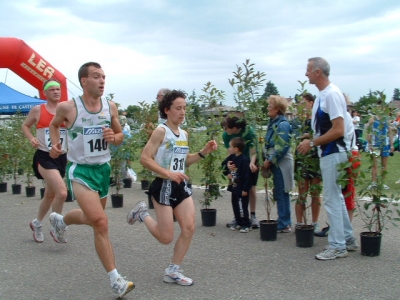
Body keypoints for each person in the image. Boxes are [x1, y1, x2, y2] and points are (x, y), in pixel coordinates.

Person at [48, 62, 134, 298]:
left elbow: (119, 138)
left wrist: (113, 136)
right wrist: (56, 145)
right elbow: (54, 125)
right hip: (81, 171)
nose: (102, 80)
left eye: (104, 76)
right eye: (96, 76)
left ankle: (61, 221)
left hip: (103, 170)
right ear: (84, 81)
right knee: (101, 222)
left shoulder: (110, 107)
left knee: (91, 219)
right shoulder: (68, 107)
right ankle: (116, 279)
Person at [127, 90, 218, 286]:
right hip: (163, 185)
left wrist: (203, 152)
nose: (182, 112)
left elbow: (184, 161)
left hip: (180, 184)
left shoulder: (184, 133)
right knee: (166, 237)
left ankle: (173, 271)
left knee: (189, 227)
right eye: (178, 108)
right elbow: (144, 158)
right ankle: (142, 214)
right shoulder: (161, 131)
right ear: (167, 110)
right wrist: (167, 173)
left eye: (184, 108)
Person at [297, 57, 357, 260]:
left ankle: (337, 246)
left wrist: (313, 143)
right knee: (337, 198)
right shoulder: (324, 95)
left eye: (308, 70)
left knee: (331, 199)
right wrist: (310, 137)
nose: (305, 74)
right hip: (331, 152)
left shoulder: (331, 95)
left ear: (317, 72)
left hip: (333, 152)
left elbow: (338, 129)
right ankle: (347, 238)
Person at [22, 78, 68, 243]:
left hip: (62, 157)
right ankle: (57, 226)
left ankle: (37, 223)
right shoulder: (38, 110)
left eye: (58, 89)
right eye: (52, 89)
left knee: (49, 195)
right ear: (45, 93)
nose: (56, 91)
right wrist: (31, 138)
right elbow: (25, 125)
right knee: (62, 193)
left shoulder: (66, 109)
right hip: (44, 157)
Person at [222, 115, 260, 228]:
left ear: (234, 128)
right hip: (236, 162)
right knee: (236, 188)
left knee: (250, 188)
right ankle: (238, 216)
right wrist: (229, 163)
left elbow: (253, 151)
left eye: (226, 128)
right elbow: (229, 152)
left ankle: (252, 216)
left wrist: (252, 163)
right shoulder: (226, 135)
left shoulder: (249, 132)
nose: (224, 130)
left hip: (248, 161)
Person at [263, 95, 294, 233]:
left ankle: (284, 222)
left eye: (270, 106)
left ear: (276, 109)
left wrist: (270, 160)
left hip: (281, 162)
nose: (267, 108)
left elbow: (282, 146)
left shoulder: (282, 124)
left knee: (282, 192)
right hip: (275, 161)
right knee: (279, 191)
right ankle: (283, 219)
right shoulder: (273, 122)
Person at [294, 93, 322, 233]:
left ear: (311, 103)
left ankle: (315, 222)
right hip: (301, 159)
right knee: (302, 192)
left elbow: (323, 135)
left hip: (315, 158)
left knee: (315, 192)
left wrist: (309, 136)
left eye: (303, 102)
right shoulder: (297, 122)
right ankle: (299, 222)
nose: (300, 106)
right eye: (299, 103)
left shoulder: (317, 119)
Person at [221, 137, 252, 232]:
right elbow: (223, 164)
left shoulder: (244, 160)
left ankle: (246, 224)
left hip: (242, 188)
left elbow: (248, 176)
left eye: (230, 147)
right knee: (235, 204)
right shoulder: (232, 157)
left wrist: (245, 189)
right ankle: (238, 222)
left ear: (236, 149)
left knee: (243, 206)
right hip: (234, 186)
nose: (229, 149)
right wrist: (227, 172)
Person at [366, 105, 394, 190]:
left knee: (384, 165)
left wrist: (391, 144)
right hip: (375, 144)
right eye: (378, 107)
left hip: (385, 144)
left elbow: (390, 132)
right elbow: (369, 132)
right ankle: (373, 182)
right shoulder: (372, 119)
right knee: (375, 164)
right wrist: (370, 144)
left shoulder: (387, 119)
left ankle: (383, 183)